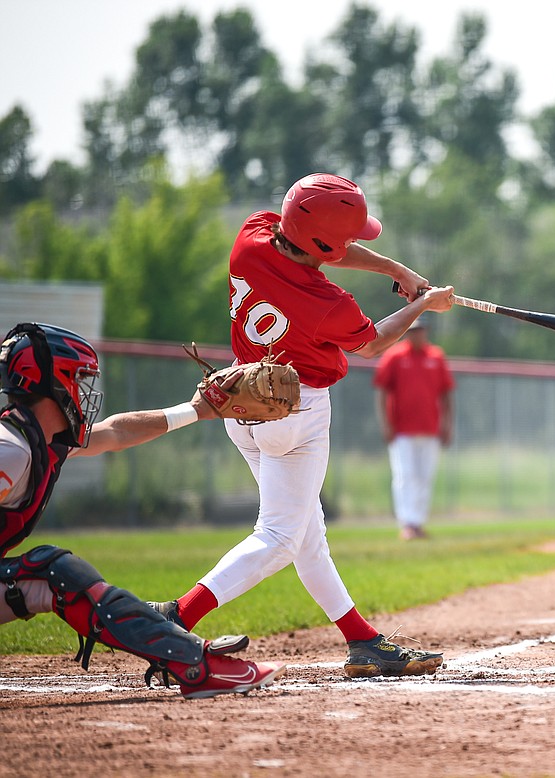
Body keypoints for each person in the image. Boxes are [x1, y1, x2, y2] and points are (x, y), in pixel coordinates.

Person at [149, 173, 454, 679]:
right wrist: (422, 304)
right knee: (280, 536)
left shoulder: (251, 236)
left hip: (240, 405)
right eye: (350, 238)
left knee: (307, 534)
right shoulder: (328, 302)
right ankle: (174, 617)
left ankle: (363, 641)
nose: (355, 246)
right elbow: (373, 344)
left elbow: (326, 250)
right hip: (297, 416)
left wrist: (394, 269)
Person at [0, 322, 285, 699]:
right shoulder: (12, 448)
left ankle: (191, 661)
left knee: (53, 576)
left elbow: (116, 432)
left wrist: (197, 410)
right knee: (54, 571)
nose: (85, 393)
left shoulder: (39, 441)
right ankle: (196, 666)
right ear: (51, 382)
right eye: (78, 379)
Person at [373, 316, 455, 540]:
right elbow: (381, 391)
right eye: (412, 331)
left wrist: (448, 424)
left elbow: (446, 393)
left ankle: (418, 522)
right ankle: (407, 523)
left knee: (424, 476)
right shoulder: (395, 356)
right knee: (405, 475)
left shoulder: (436, 356)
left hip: (430, 428)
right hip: (402, 429)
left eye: (420, 330)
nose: (416, 335)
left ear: (426, 332)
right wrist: (385, 424)